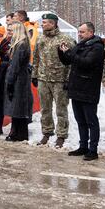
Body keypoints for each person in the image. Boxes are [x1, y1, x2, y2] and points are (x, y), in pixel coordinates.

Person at [58, 22, 105, 161]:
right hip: (77, 88)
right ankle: (83, 146)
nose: (79, 34)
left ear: (91, 33)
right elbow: (68, 61)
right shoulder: (81, 45)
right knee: (80, 120)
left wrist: (69, 53)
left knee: (91, 120)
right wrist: (62, 52)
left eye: (82, 32)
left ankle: (93, 149)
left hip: (88, 88)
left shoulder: (97, 48)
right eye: (79, 32)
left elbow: (86, 63)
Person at [32, 13, 75, 148]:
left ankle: (61, 135)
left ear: (53, 23)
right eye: (43, 22)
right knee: (45, 108)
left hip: (59, 80)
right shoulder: (40, 39)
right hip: (43, 78)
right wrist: (34, 75)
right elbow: (36, 58)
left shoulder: (65, 39)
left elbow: (71, 61)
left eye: (45, 22)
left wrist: (68, 79)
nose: (43, 25)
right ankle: (46, 132)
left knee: (61, 109)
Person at [5, 22, 33, 141]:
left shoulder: (20, 45)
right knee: (18, 106)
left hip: (18, 79)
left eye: (11, 30)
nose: (9, 33)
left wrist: (10, 82)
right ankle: (17, 132)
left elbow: (15, 65)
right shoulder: (22, 43)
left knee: (18, 106)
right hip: (21, 78)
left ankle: (19, 133)